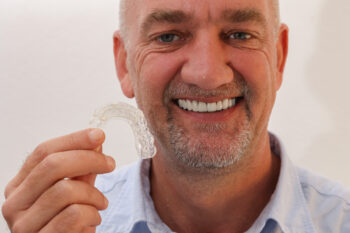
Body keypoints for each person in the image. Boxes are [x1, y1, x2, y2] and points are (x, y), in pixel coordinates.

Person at [2, 0, 350, 232]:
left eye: (240, 34)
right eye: (168, 36)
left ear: (278, 57)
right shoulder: (71, 224)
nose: (208, 74)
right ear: (125, 64)